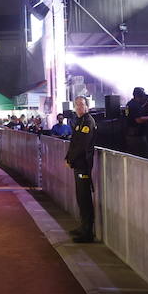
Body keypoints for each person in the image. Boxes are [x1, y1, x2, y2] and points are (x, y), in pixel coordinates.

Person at [63, 95, 97, 243]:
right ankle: (83, 227)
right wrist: (68, 157)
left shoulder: (88, 121)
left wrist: (71, 159)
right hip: (78, 164)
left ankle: (88, 232)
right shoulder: (79, 121)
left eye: (81, 105)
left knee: (85, 199)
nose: (78, 107)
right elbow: (74, 142)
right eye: (76, 105)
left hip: (83, 165)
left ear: (87, 106)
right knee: (80, 198)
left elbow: (83, 145)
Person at [124, 87, 148, 158]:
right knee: (143, 157)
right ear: (140, 96)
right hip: (137, 137)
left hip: (130, 136)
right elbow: (138, 120)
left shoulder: (129, 104)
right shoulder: (135, 106)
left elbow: (131, 115)